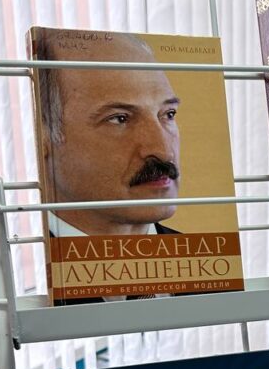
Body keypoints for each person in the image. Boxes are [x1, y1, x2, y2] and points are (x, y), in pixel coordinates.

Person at [34, 28, 181, 238]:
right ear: (41, 134)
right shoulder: (13, 254)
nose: (164, 152)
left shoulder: (210, 255)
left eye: (168, 114)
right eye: (119, 118)